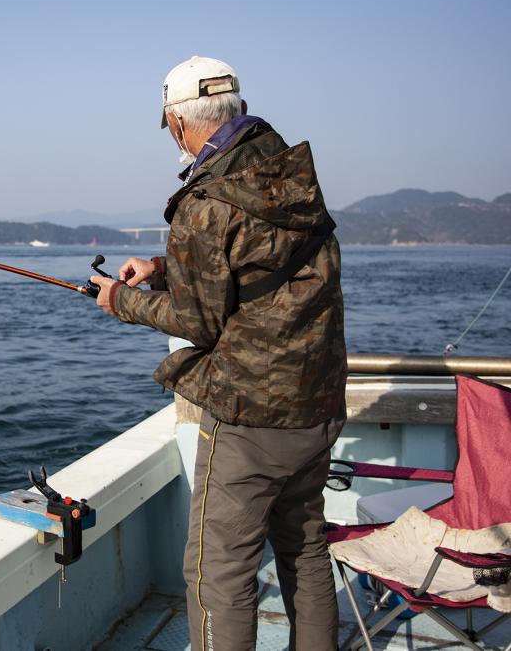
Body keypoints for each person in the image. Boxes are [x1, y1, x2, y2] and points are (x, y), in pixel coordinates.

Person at [87, 56, 347, 651]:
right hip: (317, 403)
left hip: (251, 416)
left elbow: (198, 320)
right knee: (305, 550)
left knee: (218, 573)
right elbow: (257, 267)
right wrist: (159, 270)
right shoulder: (287, 174)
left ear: (178, 124)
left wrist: (122, 299)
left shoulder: (204, 204)